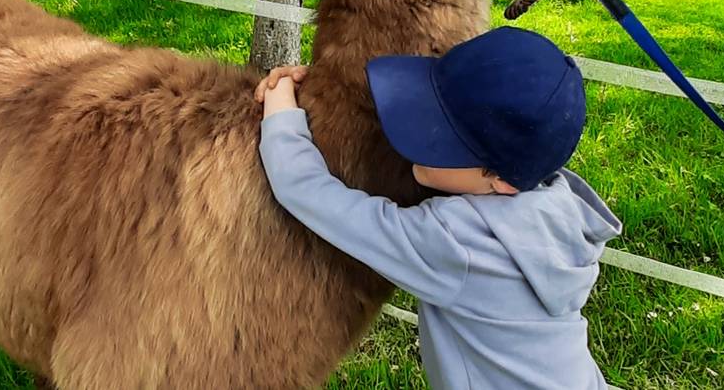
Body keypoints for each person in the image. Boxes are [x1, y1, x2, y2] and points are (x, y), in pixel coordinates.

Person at [255, 26, 622, 389]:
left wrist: (280, 100)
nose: (419, 129)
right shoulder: (555, 204)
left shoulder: (456, 244)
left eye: (442, 137)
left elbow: (303, 189)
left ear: (500, 180)